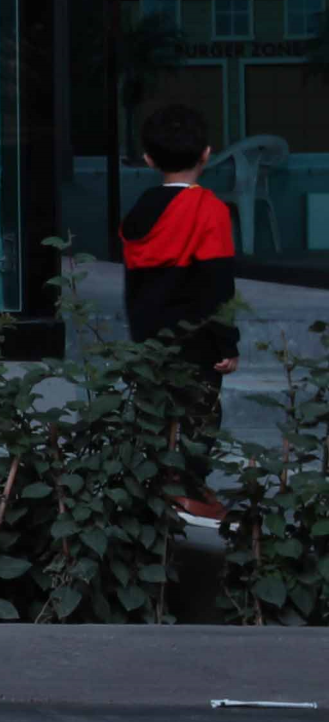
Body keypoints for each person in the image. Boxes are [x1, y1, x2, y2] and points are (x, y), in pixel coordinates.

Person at [121, 100, 241, 530]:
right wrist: (227, 343)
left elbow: (135, 286)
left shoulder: (138, 213)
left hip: (150, 338)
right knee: (200, 419)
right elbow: (216, 284)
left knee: (156, 413)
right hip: (197, 341)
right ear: (206, 153)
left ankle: (158, 488)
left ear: (150, 160)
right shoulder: (210, 210)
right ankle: (189, 492)